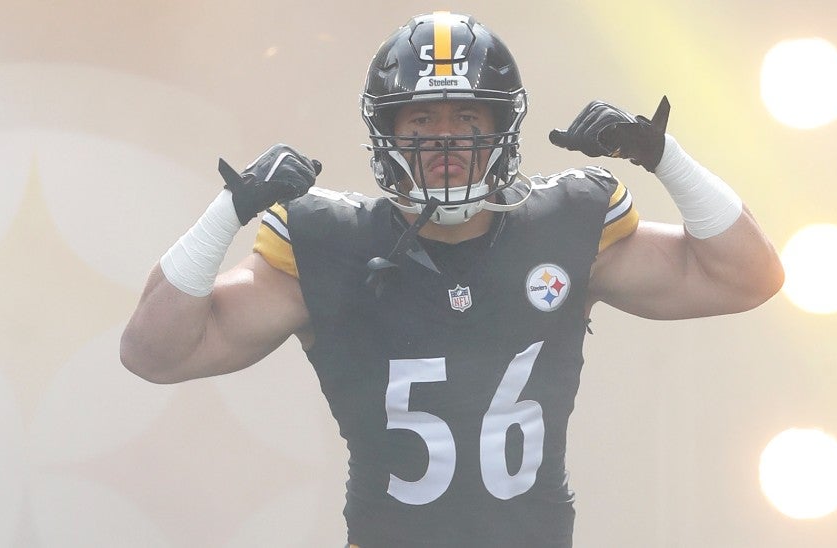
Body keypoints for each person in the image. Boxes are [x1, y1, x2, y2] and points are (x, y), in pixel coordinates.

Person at [120, 11, 784, 548]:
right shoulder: (331, 243)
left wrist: (663, 156)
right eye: (422, 120)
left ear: (503, 128)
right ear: (387, 133)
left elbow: (748, 277)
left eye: (467, 119)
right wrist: (228, 210)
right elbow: (153, 351)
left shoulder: (567, 224)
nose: (445, 141)